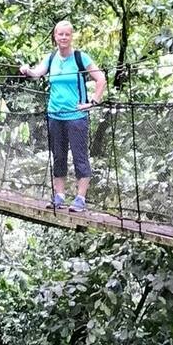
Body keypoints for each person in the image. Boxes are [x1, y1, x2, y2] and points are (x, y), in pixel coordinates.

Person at [19, 20, 107, 212]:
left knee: (80, 157)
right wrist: (27, 70)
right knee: (58, 156)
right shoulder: (51, 58)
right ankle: (59, 196)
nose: (64, 38)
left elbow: (101, 78)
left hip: (76, 116)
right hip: (55, 115)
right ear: (55, 36)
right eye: (60, 34)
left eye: (67, 34)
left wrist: (92, 102)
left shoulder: (80, 58)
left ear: (72, 36)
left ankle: (80, 199)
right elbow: (37, 74)